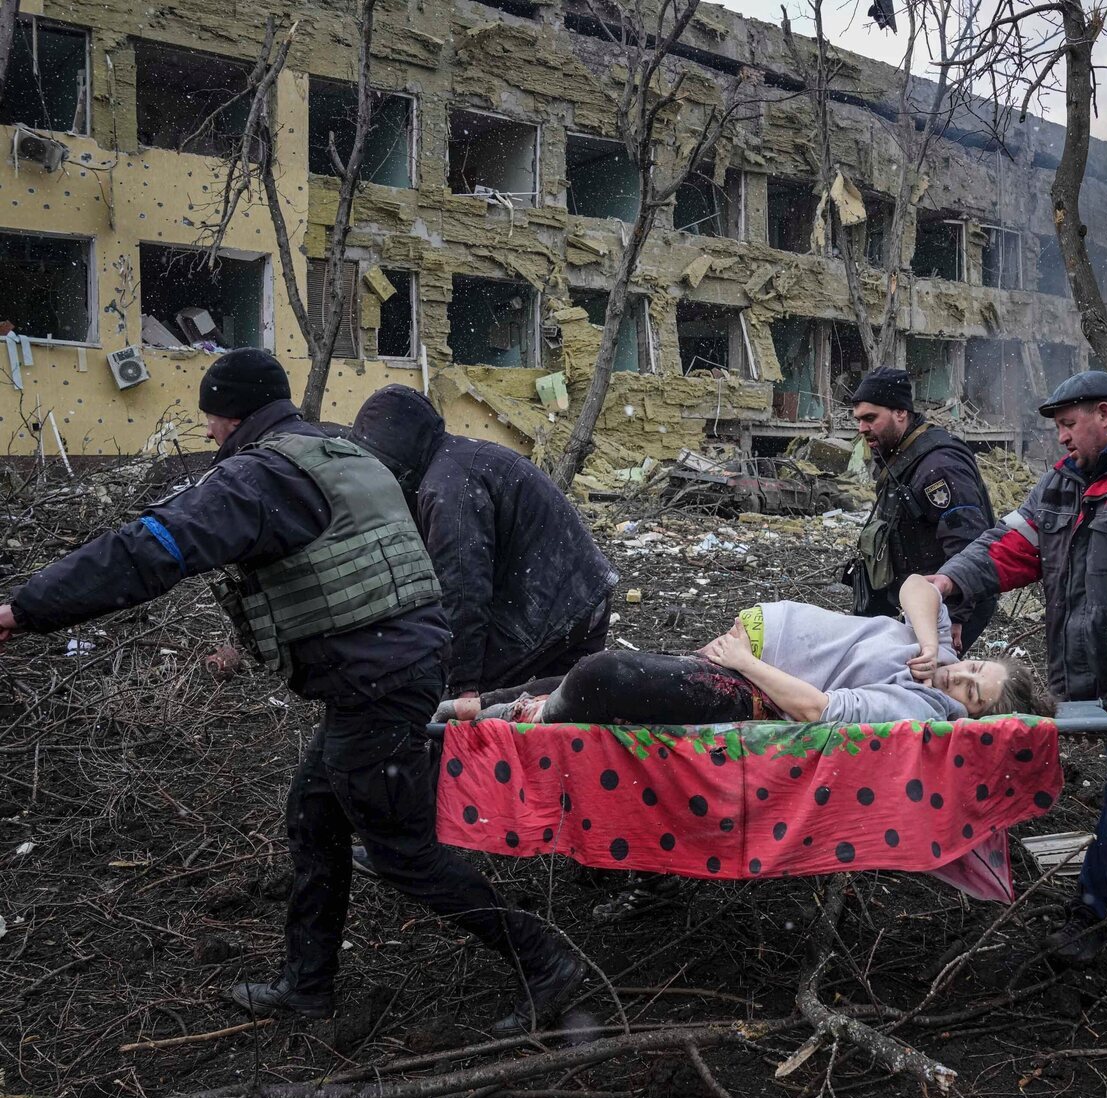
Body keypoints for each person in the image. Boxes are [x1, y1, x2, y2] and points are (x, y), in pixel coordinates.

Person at [0, 349, 585, 1034]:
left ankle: (546, 962)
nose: (210, 432)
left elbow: (149, 549)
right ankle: (307, 987)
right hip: (398, 664)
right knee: (315, 814)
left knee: (403, 850)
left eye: (212, 417)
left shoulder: (260, 477)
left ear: (232, 413)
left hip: (377, 679)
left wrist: (26, 608)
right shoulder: (336, 449)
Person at [928, 370, 1107, 965]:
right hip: (1100, 671)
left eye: (1068, 425)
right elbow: (1009, 545)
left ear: (1106, 415)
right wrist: (949, 581)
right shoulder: (1065, 482)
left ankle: (1094, 911)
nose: (1060, 438)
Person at [446, 575, 1051, 727]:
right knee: (585, 676)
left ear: (970, 718)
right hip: (747, 650)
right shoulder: (935, 654)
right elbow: (919, 586)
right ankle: (463, 707)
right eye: (974, 668)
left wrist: (744, 662)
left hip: (754, 685)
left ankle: (505, 721)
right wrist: (929, 642)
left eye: (972, 693)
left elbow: (818, 710)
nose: (959, 679)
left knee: (599, 676)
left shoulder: (920, 711)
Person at [352, 384, 617, 700]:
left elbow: (463, 588)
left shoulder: (447, 486)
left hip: (553, 612)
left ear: (395, 459)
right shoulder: (457, 460)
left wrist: (463, 684)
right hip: (582, 598)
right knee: (555, 721)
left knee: (449, 709)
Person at [843, 367, 996, 653]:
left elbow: (968, 544)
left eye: (870, 418)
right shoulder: (900, 456)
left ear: (901, 413)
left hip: (944, 604)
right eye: (859, 420)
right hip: (915, 600)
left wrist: (955, 614)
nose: (862, 428)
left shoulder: (939, 466)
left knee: (928, 684)